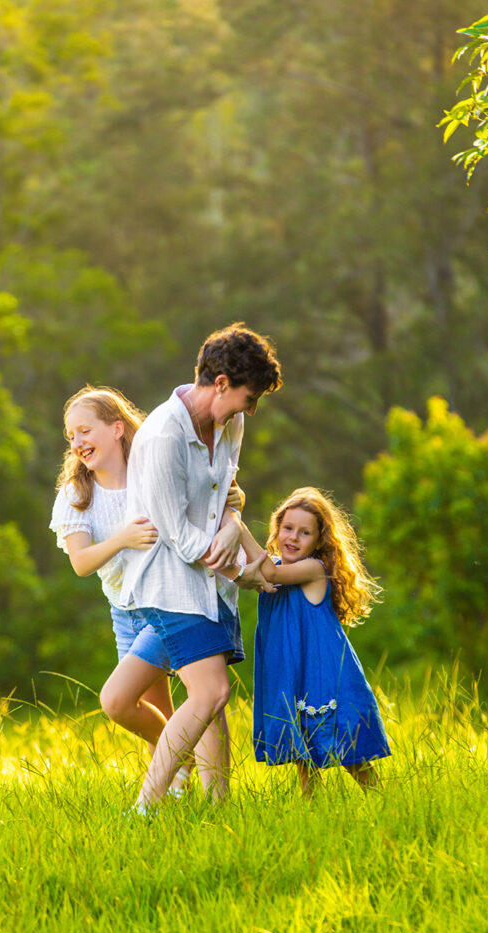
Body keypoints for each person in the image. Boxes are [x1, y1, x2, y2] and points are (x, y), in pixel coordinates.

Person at [119, 322, 283, 812]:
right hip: (169, 583)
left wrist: (234, 524)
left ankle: (218, 807)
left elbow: (226, 497)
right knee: (210, 693)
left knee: (211, 703)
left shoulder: (230, 423)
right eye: (249, 398)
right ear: (220, 384)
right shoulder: (162, 438)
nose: (251, 410)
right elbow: (186, 541)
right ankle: (144, 807)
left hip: (211, 586)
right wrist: (244, 571)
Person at [50, 386, 209, 788]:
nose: (78, 442)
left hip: (167, 604)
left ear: (117, 428)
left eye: (85, 430)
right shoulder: (76, 495)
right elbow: (81, 563)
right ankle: (177, 789)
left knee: (118, 701)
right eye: (71, 436)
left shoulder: (149, 473)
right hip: (125, 613)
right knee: (153, 716)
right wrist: (122, 538)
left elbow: (204, 492)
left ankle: (192, 777)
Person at [240, 486, 391, 796]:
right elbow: (247, 573)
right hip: (291, 672)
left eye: (305, 532)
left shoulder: (312, 570)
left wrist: (236, 525)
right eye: (288, 528)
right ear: (277, 528)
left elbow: (267, 570)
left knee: (349, 749)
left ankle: (385, 801)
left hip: (323, 672)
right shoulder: (277, 569)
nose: (293, 537)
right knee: (302, 753)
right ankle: (313, 808)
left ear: (320, 540)